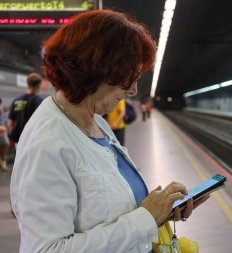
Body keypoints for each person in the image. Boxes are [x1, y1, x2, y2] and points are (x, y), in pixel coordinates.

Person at [10, 10, 209, 253]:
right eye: (129, 78)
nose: (134, 90)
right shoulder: (47, 142)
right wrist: (147, 217)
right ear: (99, 70)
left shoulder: (96, 121)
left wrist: (161, 209)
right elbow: (47, 249)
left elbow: (108, 208)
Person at [7, 72, 43, 143]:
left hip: (18, 140)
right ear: (38, 85)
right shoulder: (39, 101)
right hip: (32, 140)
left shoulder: (16, 101)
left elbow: (10, 123)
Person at [0, 97, 9, 170]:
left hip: (2, 129)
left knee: (5, 144)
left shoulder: (1, 109)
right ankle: (2, 161)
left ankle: (2, 161)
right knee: (5, 144)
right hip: (2, 129)